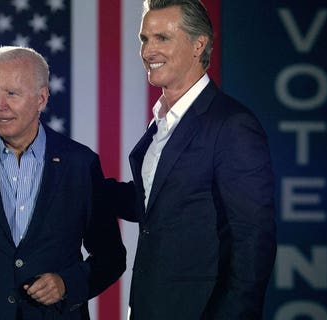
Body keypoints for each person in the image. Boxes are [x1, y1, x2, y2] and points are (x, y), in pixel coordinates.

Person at [0, 46, 126, 320]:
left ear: (41, 98)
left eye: (11, 94)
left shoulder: (80, 164)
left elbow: (111, 256)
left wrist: (66, 283)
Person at [111, 0, 277, 319]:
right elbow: (154, 204)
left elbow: (253, 242)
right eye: (144, 39)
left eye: (162, 38)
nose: (148, 51)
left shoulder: (231, 125)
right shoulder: (163, 121)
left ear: (199, 44)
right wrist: (79, 182)